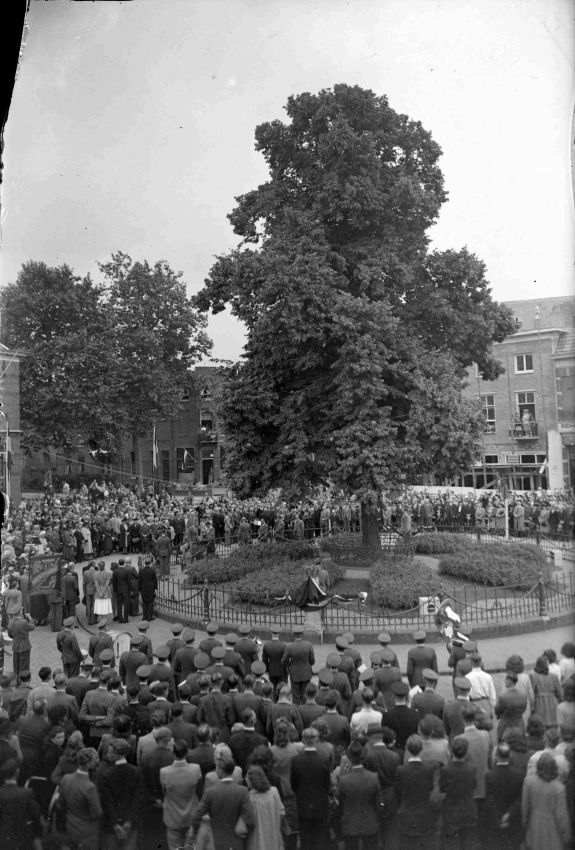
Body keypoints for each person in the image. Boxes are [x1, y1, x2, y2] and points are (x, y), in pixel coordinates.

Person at [190, 754, 254, 850]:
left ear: (220, 771)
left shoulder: (210, 792)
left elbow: (196, 816)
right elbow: (250, 820)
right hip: (236, 843)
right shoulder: (243, 791)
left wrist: (195, 832)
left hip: (216, 843)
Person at [290, 727, 332, 850]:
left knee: (305, 839)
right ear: (316, 740)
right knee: (320, 838)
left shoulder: (296, 760)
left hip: (303, 803)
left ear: (303, 740)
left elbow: (293, 784)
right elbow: (327, 784)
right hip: (320, 804)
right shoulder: (323, 760)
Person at [522, 751, 572, 850]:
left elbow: (525, 807)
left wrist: (525, 826)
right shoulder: (559, 788)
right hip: (553, 832)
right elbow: (561, 816)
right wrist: (567, 837)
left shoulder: (529, 782)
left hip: (534, 828)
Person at [337, 740, 381, 850]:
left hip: (350, 825)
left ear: (350, 758)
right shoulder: (374, 777)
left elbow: (341, 805)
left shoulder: (343, 781)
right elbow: (379, 804)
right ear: (363, 757)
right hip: (370, 824)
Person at [99, 738, 141, 850]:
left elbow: (108, 802)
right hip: (131, 821)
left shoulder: (106, 774)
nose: (109, 754)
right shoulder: (136, 771)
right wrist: (129, 821)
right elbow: (137, 798)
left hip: (111, 823)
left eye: (111, 752)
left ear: (116, 754)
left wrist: (115, 824)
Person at [160, 739, 203, 850]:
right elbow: (199, 790)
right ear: (187, 752)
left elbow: (164, 791)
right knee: (191, 846)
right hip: (191, 815)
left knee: (174, 847)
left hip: (172, 816)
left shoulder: (164, 772)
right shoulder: (196, 769)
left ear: (173, 752)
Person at [394, 733, 434, 850]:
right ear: (421, 749)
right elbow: (430, 788)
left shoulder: (401, 770)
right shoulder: (428, 770)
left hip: (405, 813)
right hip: (423, 813)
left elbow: (397, 791)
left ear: (407, 748)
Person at [439, 736, 478, 850]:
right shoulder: (472, 768)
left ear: (452, 751)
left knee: (451, 844)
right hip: (468, 810)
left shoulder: (446, 769)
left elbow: (442, 788)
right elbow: (473, 785)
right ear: (466, 752)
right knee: (467, 842)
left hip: (451, 812)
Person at [59, 747, 103, 850]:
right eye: (95, 759)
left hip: (69, 825)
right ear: (89, 764)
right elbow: (97, 813)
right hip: (87, 831)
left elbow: (62, 802)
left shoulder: (66, 778)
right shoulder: (90, 787)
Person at [0, 758, 43, 850]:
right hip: (22, 841)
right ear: (17, 772)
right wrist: (38, 836)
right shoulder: (27, 793)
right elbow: (35, 817)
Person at [245, 763, 285, 850]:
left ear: (252, 780)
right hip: (274, 841)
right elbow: (281, 813)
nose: (245, 779)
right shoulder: (274, 792)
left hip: (256, 843)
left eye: (247, 777)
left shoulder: (249, 798)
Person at [281, 625, 315, 706]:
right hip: (306, 674)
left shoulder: (289, 646)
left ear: (294, 635)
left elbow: (283, 661)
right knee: (305, 696)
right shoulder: (309, 645)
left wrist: (290, 665)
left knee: (295, 698)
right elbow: (312, 661)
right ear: (302, 634)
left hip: (294, 674)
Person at [530, 654, 562, 731]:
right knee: (553, 726)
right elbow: (559, 692)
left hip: (539, 703)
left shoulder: (533, 676)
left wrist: (532, 706)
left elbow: (531, 693)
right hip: (552, 703)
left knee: (541, 726)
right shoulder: (553, 676)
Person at [7, 611, 35, 678]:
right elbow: (33, 627)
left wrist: (16, 638)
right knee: (24, 667)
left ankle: (17, 682)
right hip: (24, 647)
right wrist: (29, 617)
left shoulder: (11, 622)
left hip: (15, 647)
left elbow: (9, 635)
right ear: (20, 612)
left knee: (16, 667)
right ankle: (23, 683)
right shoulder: (24, 622)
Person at [138, 557, 158, 621]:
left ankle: (144, 616)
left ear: (145, 563)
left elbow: (139, 581)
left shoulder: (141, 571)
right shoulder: (152, 571)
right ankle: (150, 617)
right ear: (150, 563)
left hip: (143, 588)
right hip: (150, 588)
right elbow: (155, 580)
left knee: (144, 602)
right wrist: (155, 588)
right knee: (150, 602)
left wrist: (139, 589)